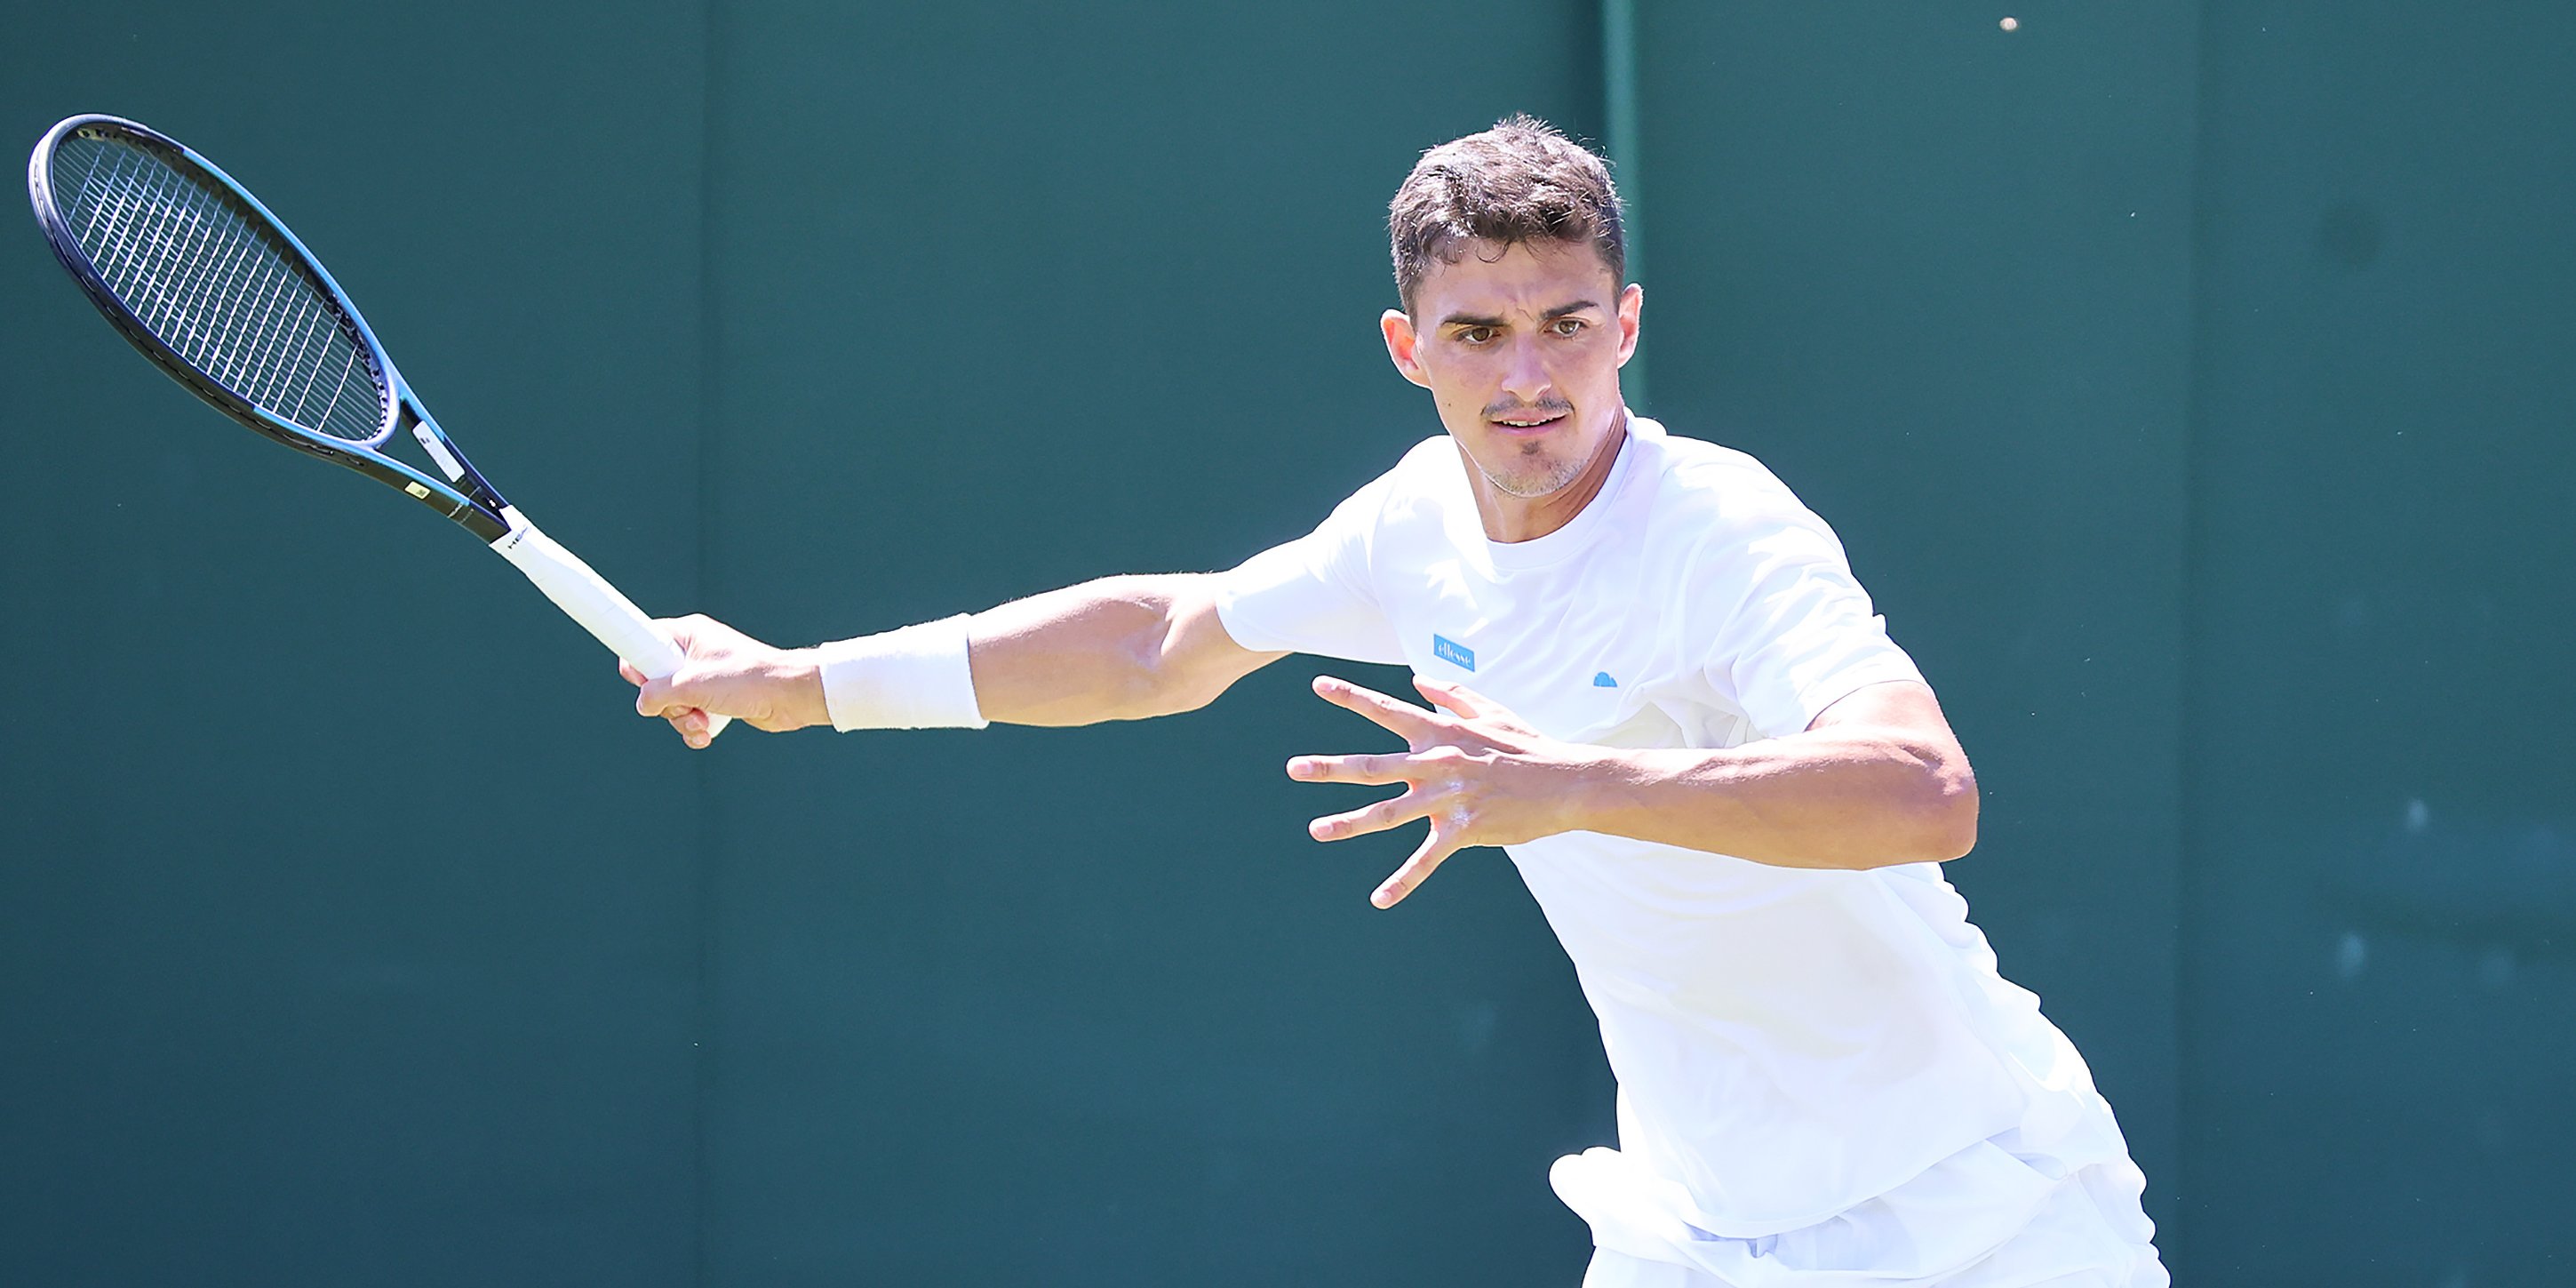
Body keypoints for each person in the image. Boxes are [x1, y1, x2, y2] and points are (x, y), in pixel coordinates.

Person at [626, 116, 2167, 1288]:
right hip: (1700, 1229)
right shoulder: (1408, 529)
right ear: (1409, 348)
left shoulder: (1723, 528)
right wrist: (791, 683)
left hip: (1976, 1206)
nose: (1529, 378)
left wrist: (1571, 783)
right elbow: (1158, 642)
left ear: (1628, 324)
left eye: (1568, 324)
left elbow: (1925, 789)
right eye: (1479, 334)